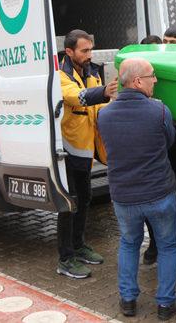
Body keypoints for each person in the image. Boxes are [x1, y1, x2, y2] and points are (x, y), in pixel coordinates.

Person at [97, 58, 176, 320]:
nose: (155, 80)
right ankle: (166, 304)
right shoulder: (160, 111)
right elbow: (169, 141)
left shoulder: (104, 114)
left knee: (129, 244)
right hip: (159, 194)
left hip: (124, 196)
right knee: (168, 246)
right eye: (152, 76)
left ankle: (128, 301)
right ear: (137, 81)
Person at [57, 29, 118, 278]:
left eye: (91, 49)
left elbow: (100, 107)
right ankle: (65, 259)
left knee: (85, 199)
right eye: (84, 50)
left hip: (85, 152)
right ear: (69, 51)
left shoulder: (91, 72)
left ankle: (79, 246)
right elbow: (78, 97)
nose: (89, 54)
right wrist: (104, 92)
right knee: (68, 204)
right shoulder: (60, 77)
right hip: (68, 151)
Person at [143, 26, 176, 273]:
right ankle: (155, 244)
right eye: (164, 41)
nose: (166, 45)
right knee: (153, 195)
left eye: (173, 42)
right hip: (153, 139)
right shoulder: (153, 66)